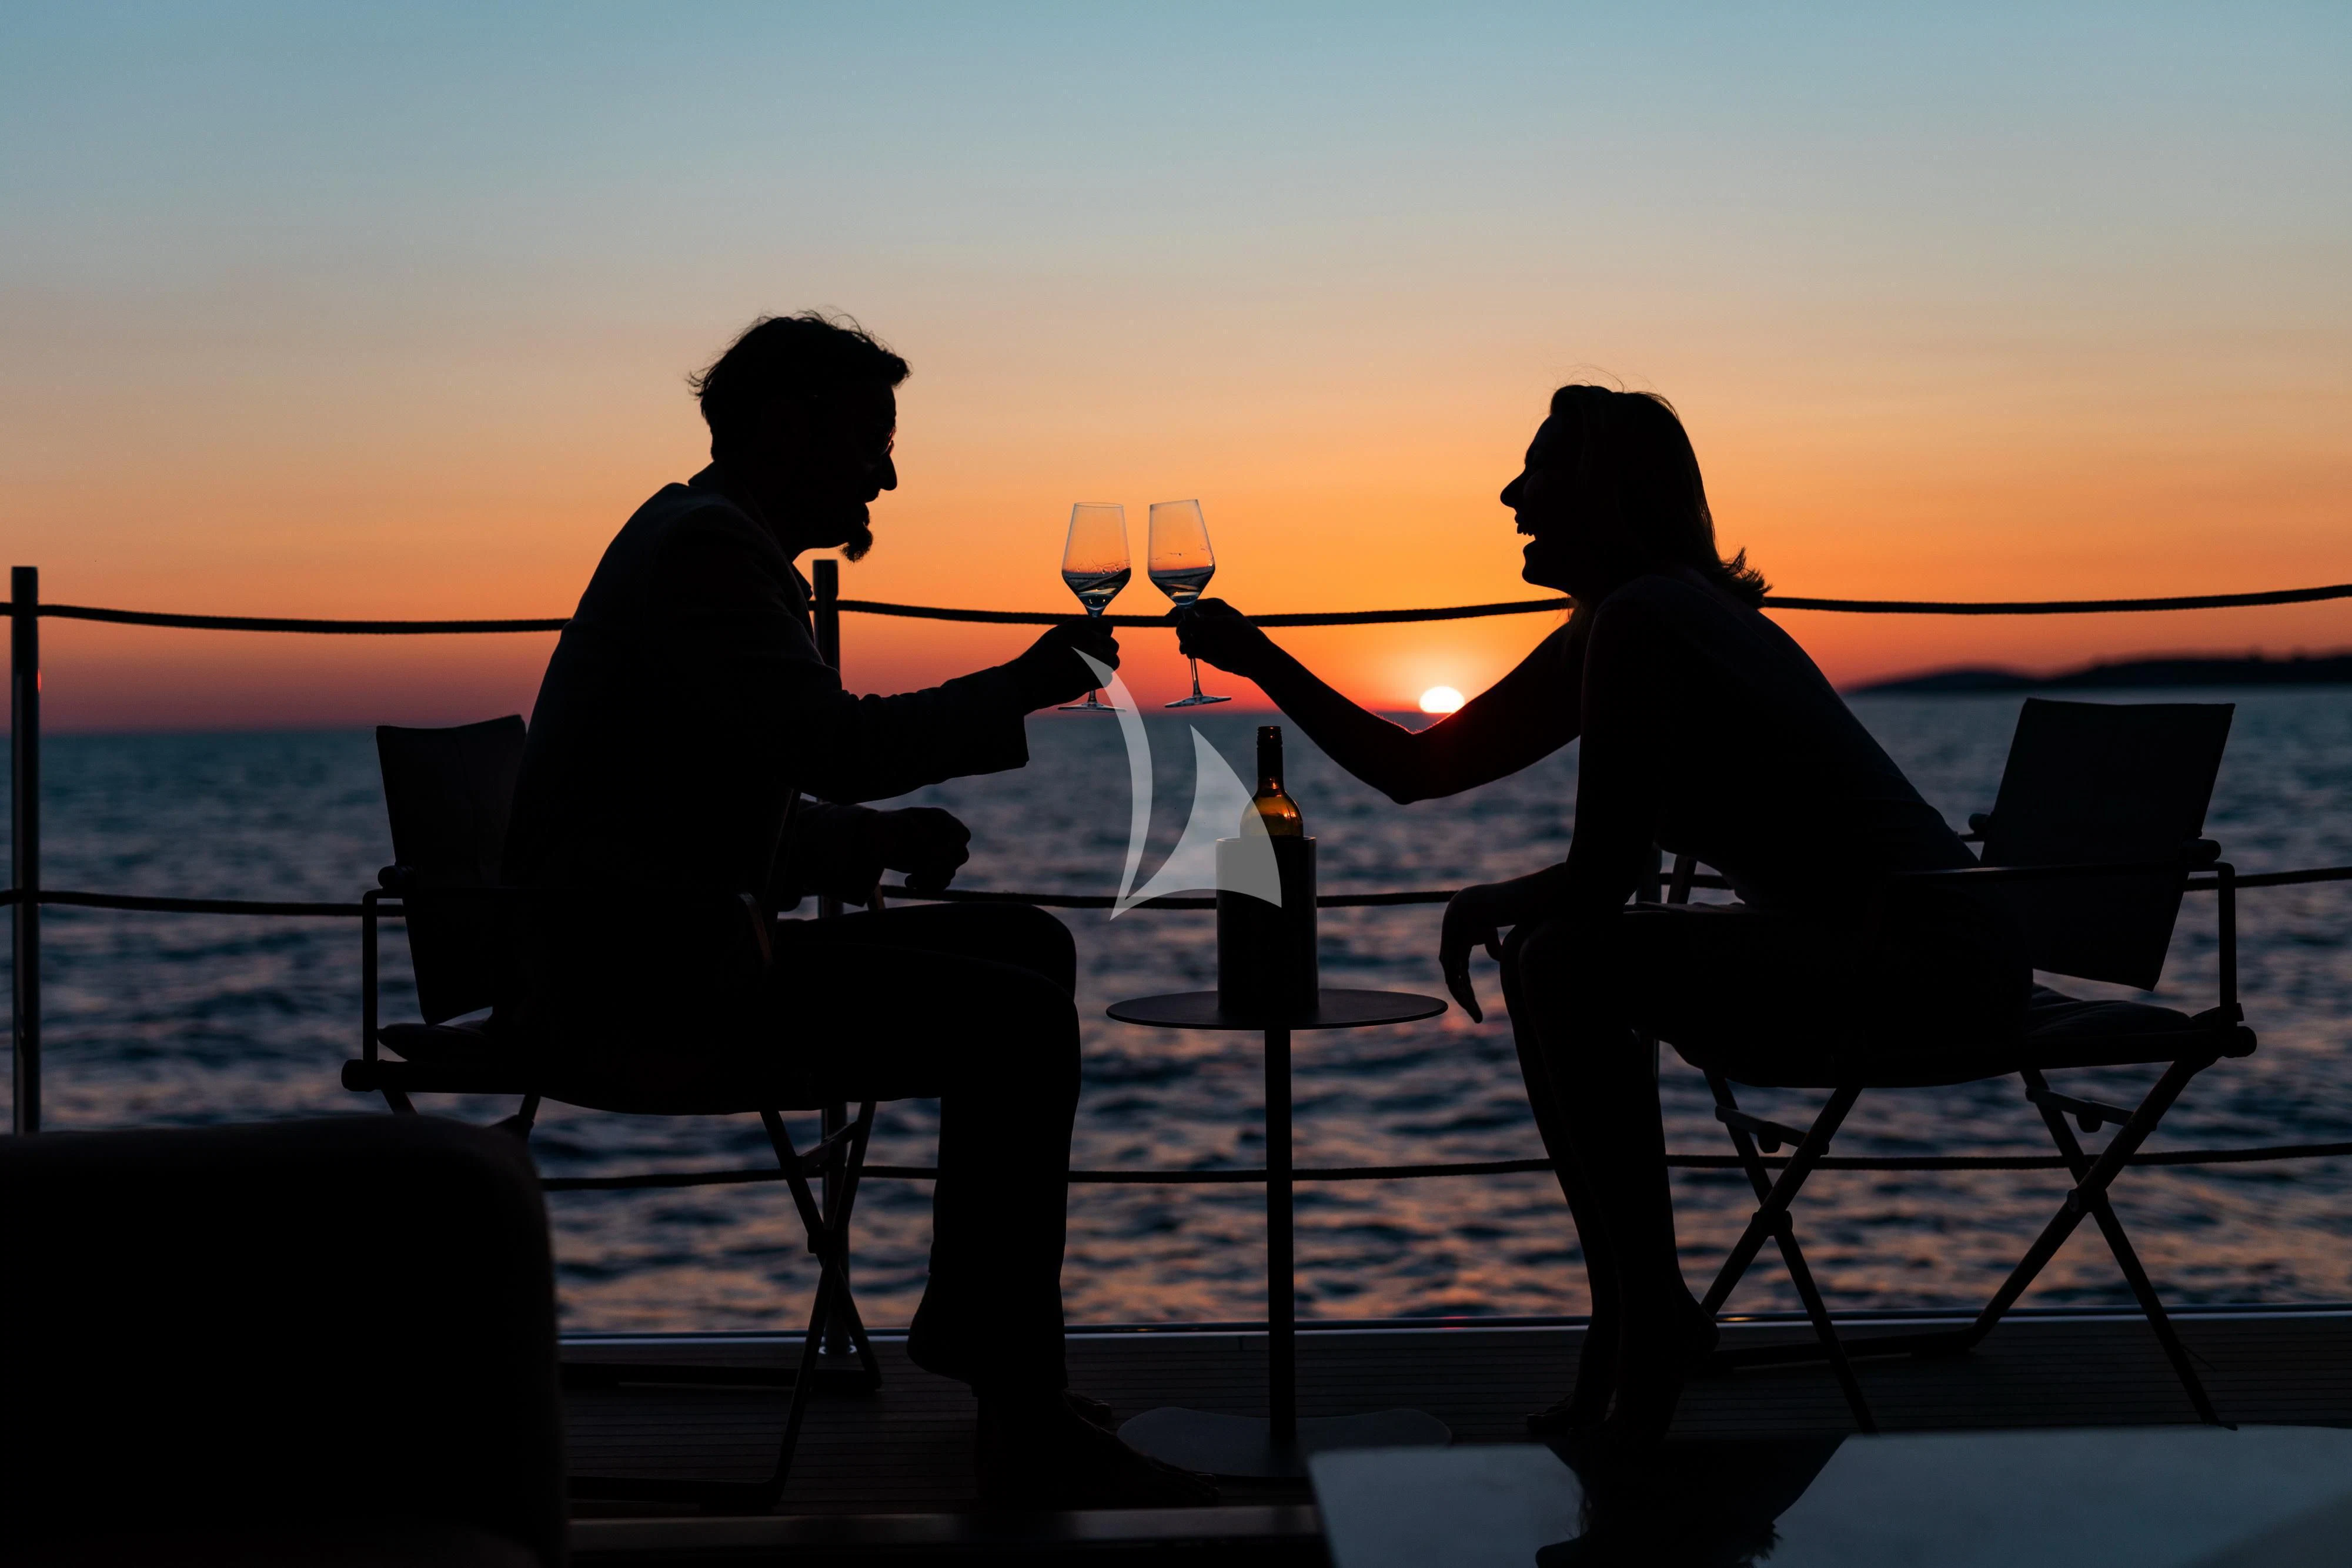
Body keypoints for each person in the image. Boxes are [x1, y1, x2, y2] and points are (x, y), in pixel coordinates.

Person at [1175, 385, 2027, 1449]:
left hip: (1928, 960)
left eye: (1537, 470)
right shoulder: (1627, 617)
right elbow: (1418, 768)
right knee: (1555, 953)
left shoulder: (1645, 619)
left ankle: (1641, 1322)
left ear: (1601, 494)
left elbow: (1605, 869)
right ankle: (1640, 1311)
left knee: (1565, 957)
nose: (1510, 492)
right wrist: (1260, 660)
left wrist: (1483, 900)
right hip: (1900, 942)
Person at [500, 312, 1212, 1507]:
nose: (889, 472)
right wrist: (1029, 685)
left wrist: (861, 842)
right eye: (874, 439)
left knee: (1026, 945)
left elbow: (695, 799)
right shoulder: (708, 555)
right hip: (646, 983)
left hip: (652, 938)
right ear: (791, 431)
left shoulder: (702, 542)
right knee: (1018, 1024)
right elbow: (832, 745)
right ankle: (1018, 1406)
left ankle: (987, 1347)